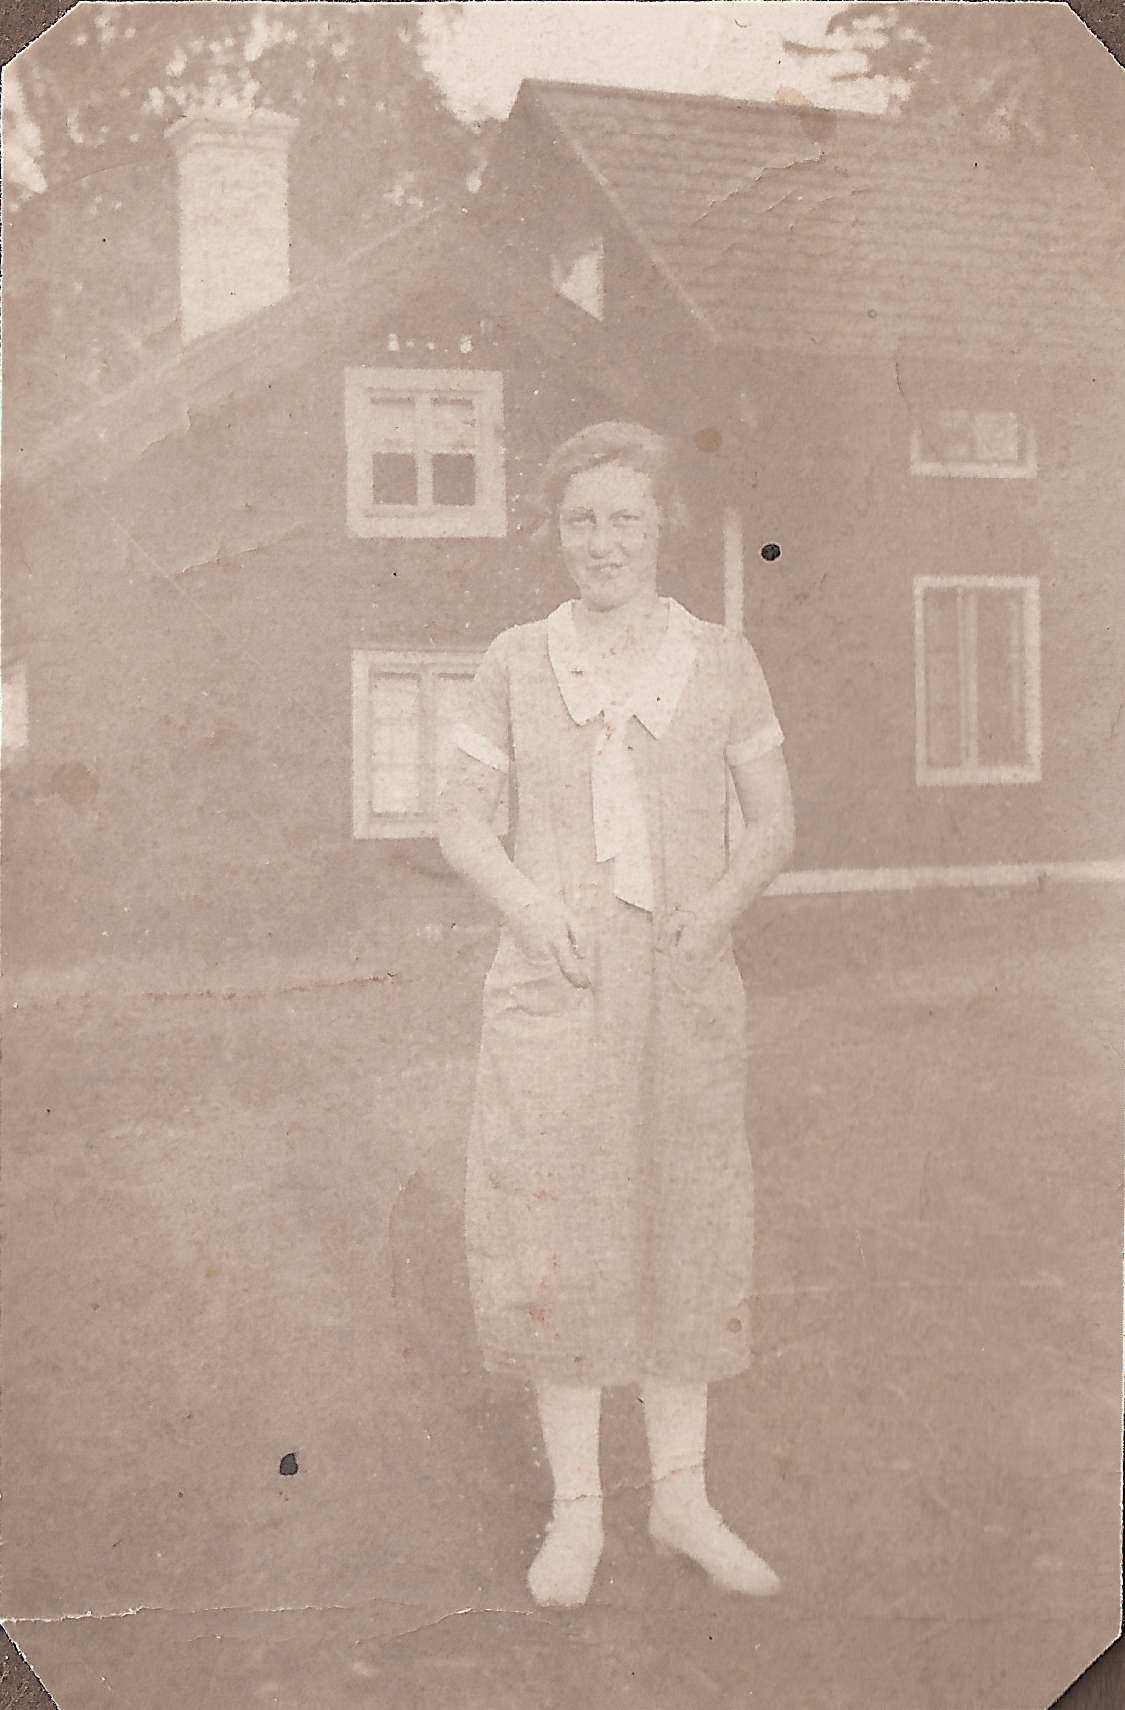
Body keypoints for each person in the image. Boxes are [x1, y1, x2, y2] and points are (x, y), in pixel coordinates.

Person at [439, 421, 795, 1608]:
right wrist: (533, 909)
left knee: (687, 1221)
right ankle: (578, 1514)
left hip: (682, 982)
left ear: (660, 528)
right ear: (557, 531)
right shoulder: (515, 662)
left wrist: (719, 907)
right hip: (561, 985)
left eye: (625, 520)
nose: (603, 543)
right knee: (562, 1228)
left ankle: (682, 1501)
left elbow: (774, 824)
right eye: (582, 520)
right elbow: (460, 821)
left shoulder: (721, 660)